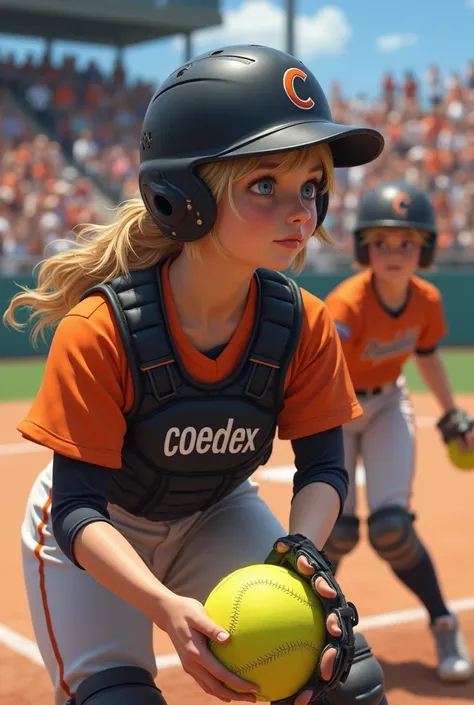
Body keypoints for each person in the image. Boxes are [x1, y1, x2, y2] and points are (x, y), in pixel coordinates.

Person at [4, 45, 388, 705]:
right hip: (97, 530)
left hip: (216, 510)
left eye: (312, 186)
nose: (302, 211)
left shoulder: (302, 322)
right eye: (265, 184)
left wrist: (301, 550)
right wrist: (162, 605)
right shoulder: (103, 330)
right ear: (183, 195)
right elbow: (75, 508)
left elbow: (324, 467)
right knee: (120, 698)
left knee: (342, 674)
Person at [323, 180, 474, 683]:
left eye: (407, 242)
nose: (394, 252)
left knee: (391, 529)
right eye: (383, 242)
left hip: (388, 404)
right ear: (365, 247)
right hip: (337, 412)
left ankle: (443, 622)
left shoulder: (426, 300)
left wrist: (452, 415)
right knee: (336, 533)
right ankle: (312, 636)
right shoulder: (346, 304)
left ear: (424, 249)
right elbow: (317, 371)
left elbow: (427, 358)